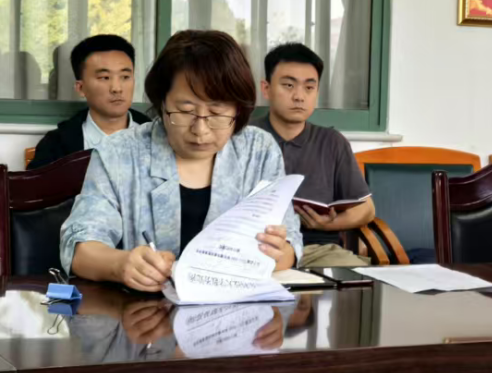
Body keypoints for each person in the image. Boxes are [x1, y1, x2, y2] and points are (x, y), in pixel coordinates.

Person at [60, 29, 301, 290]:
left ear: (238, 109)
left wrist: (277, 253)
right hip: (142, 310)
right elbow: (79, 248)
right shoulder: (119, 153)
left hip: (235, 309)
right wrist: (120, 265)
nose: (201, 130)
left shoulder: (258, 151)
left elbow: (290, 244)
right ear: (162, 102)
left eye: (217, 113)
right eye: (185, 111)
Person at [255, 42, 374, 267]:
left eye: (309, 87)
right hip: (260, 246)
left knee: (359, 279)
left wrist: (327, 224)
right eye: (288, 85)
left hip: (317, 251)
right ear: (266, 88)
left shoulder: (332, 142)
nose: (299, 96)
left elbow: (366, 209)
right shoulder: (246, 139)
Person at [29, 34, 150, 169]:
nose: (117, 88)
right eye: (105, 77)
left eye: (125, 77)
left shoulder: (157, 137)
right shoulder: (56, 145)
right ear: (81, 88)